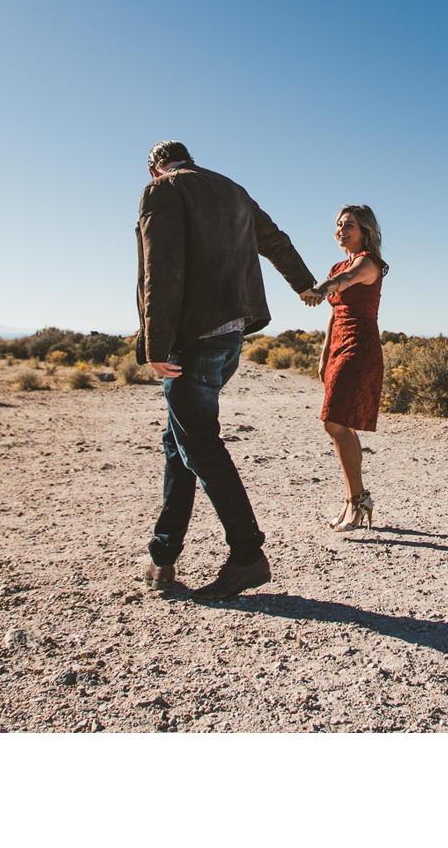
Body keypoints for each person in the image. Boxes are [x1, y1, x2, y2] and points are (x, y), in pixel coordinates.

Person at [135, 140, 318, 599]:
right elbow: (275, 240)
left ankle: (247, 555)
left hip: (193, 336)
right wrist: (304, 285)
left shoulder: (163, 191)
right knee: (180, 441)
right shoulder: (233, 189)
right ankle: (163, 557)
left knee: (199, 445)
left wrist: (156, 343)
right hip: (233, 333)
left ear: (155, 167)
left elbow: (161, 266)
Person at [301, 205, 389, 531]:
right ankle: (355, 497)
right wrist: (324, 356)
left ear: (364, 230)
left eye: (349, 225)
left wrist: (322, 288)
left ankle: (357, 498)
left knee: (335, 422)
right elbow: (333, 314)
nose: (341, 229)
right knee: (341, 423)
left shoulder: (368, 263)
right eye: (339, 225)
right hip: (338, 346)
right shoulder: (338, 263)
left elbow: (346, 280)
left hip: (360, 347)